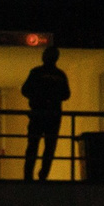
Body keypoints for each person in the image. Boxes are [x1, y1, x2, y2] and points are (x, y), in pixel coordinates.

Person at [20, 44, 71, 181]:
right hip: (53, 115)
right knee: (49, 147)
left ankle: (28, 175)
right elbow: (66, 95)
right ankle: (43, 175)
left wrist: (38, 96)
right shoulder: (60, 75)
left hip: (38, 113)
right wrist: (52, 97)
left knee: (33, 145)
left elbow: (25, 90)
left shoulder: (36, 72)